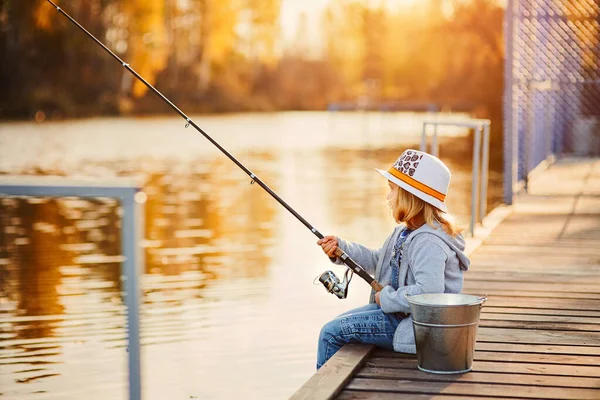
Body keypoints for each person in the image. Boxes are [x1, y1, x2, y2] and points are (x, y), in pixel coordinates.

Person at [315, 149, 470, 369]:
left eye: (392, 190)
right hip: (398, 315)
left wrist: (385, 298)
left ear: (410, 196)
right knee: (335, 325)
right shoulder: (404, 232)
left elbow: (428, 295)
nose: (388, 197)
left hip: (418, 327)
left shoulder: (429, 242)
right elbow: (378, 260)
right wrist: (341, 248)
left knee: (330, 334)